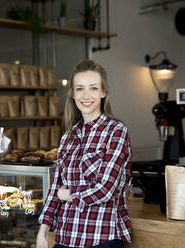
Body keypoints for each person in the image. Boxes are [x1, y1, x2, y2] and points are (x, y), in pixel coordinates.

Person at [37, 60, 132, 248]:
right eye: (79, 89)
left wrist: (70, 195)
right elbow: (55, 189)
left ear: (103, 92)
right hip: (65, 238)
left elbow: (106, 189)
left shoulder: (116, 131)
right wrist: (42, 232)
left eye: (93, 88)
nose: (86, 96)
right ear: (73, 94)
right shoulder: (68, 137)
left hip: (101, 239)